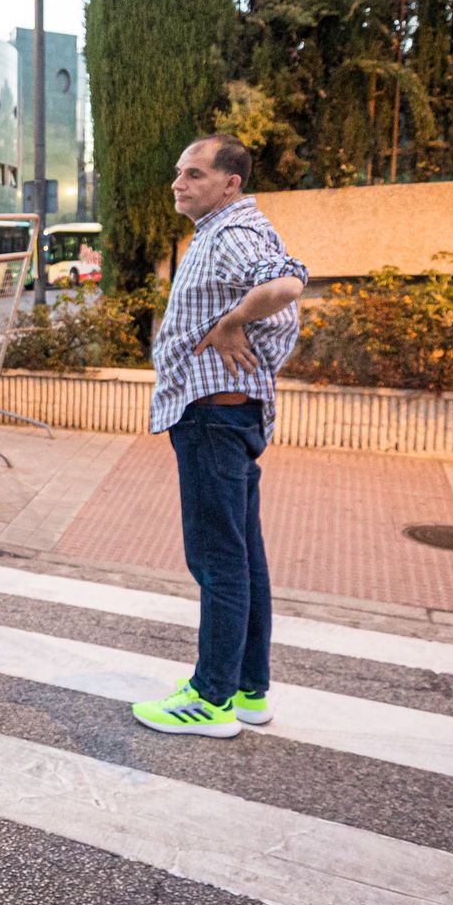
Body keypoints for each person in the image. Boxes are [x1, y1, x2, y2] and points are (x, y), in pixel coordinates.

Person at [131, 135, 306, 740]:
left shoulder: (232, 233)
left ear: (229, 183)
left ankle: (211, 699)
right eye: (178, 172)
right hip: (227, 417)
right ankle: (247, 688)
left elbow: (286, 286)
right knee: (243, 557)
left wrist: (233, 321)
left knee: (218, 560)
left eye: (195, 174)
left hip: (213, 418)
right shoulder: (223, 230)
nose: (178, 183)